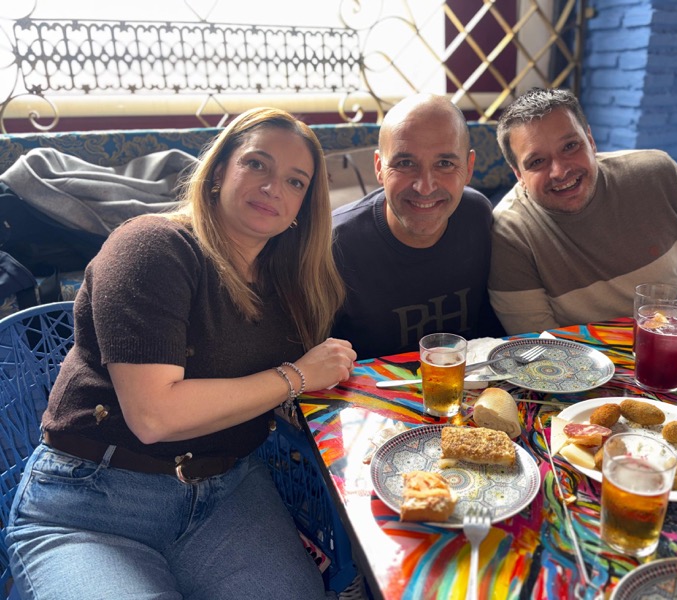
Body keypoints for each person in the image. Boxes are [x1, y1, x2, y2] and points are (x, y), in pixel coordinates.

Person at [5, 107, 357, 600]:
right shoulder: (152, 246)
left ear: (303, 205)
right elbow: (155, 416)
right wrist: (296, 375)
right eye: (256, 163)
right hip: (94, 503)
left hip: (229, 491)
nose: (272, 187)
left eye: (295, 181)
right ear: (218, 172)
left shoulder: (289, 281)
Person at [489, 87, 677, 334]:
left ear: (591, 141)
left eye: (570, 146)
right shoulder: (511, 232)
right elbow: (538, 339)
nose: (560, 171)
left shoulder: (659, 176)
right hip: (576, 357)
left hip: (671, 344)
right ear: (518, 174)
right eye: (537, 162)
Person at [331, 94, 501, 359]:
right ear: (379, 167)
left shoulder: (477, 216)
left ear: (468, 168)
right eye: (405, 163)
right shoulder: (334, 244)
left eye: (445, 164)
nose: (425, 187)